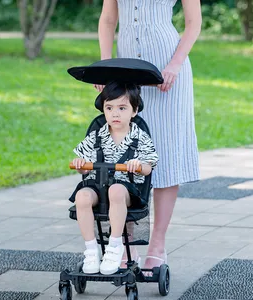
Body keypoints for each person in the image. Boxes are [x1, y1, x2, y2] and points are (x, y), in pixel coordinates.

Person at [96, 0, 202, 271]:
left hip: (168, 74)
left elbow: (193, 23)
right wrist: (106, 65)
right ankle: (122, 240)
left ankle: (157, 244)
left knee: (164, 155)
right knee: (123, 156)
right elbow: (109, 19)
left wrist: (175, 65)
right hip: (127, 72)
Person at [69, 81, 158, 275]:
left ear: (134, 112)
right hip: (97, 186)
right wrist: (80, 165)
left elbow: (149, 167)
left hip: (127, 189)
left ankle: (115, 246)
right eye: (109, 108)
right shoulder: (96, 136)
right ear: (103, 110)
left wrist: (139, 166)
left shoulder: (139, 137)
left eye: (122, 108)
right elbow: (84, 169)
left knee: (115, 190)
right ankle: (91, 250)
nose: (115, 113)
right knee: (82, 196)